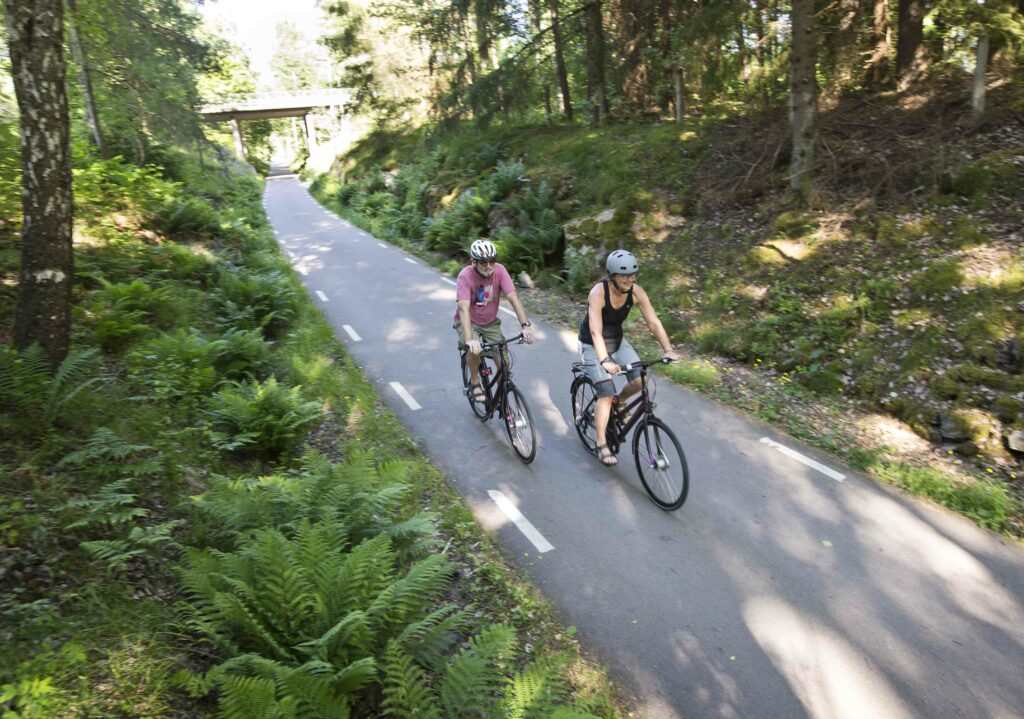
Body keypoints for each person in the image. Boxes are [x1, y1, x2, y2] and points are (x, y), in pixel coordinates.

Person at [579, 249, 679, 466]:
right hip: (592, 344)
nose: (630, 279)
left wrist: (667, 349)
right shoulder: (598, 293)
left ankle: (620, 402)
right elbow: (596, 332)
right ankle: (601, 443)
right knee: (605, 392)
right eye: (625, 275)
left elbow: (653, 322)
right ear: (612, 276)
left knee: (640, 379)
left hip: (617, 340)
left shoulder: (636, 292)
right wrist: (605, 360)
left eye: (633, 274)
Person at [455, 239, 535, 402]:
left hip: (490, 323)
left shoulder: (500, 271)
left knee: (504, 364)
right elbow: (463, 308)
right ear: (474, 261)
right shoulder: (465, 276)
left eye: (492, 260)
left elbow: (513, 297)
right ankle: (475, 383)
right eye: (484, 262)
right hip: (469, 323)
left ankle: (503, 397)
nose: (489, 265)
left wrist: (525, 326)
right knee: (474, 349)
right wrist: (470, 339)